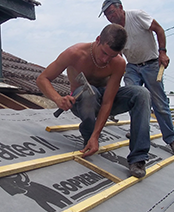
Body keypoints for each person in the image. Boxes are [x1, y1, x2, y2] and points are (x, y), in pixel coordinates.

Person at [36, 24, 151, 178]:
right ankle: (87, 136)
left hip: (103, 100)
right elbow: (42, 79)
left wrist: (97, 136)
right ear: (98, 40)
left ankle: (138, 158)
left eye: (111, 56)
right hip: (82, 100)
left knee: (142, 94)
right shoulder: (75, 53)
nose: (105, 59)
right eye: (104, 53)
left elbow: (107, 102)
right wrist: (58, 99)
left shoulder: (118, 63)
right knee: (90, 94)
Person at [98, 0, 174, 154]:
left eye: (111, 12)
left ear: (120, 8)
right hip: (132, 67)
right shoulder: (114, 30)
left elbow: (159, 30)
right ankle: (138, 129)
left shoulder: (137, 16)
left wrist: (162, 52)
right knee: (133, 97)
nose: (110, 17)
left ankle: (172, 139)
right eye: (107, 15)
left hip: (151, 64)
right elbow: (117, 53)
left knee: (159, 103)